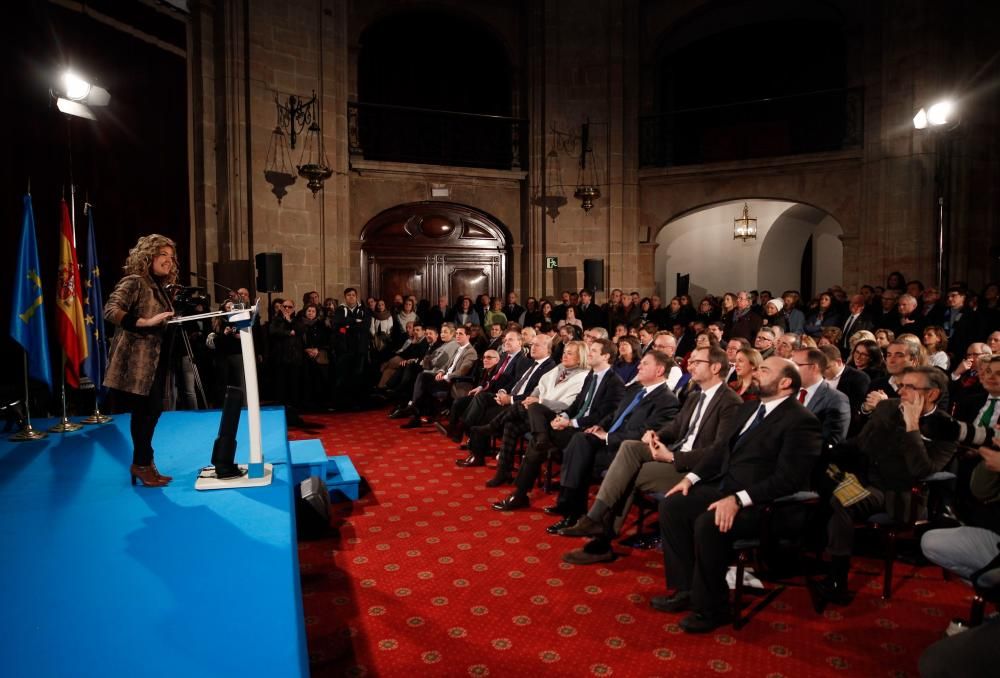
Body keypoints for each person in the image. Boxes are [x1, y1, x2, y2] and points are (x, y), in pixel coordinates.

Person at [657, 357, 822, 632]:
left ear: (785, 383)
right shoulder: (748, 408)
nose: (757, 372)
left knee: (708, 523)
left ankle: (712, 608)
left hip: (763, 504)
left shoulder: (802, 421)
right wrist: (691, 478)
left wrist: (739, 499)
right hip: (724, 488)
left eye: (765, 370)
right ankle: (685, 589)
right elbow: (719, 449)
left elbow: (788, 480)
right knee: (674, 505)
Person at [104, 234, 179, 487]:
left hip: (155, 362)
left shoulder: (159, 286)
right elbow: (111, 310)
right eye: (163, 255)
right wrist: (144, 322)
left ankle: (145, 462)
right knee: (145, 413)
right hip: (137, 364)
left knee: (152, 411)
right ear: (148, 256)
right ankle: (141, 464)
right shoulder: (135, 281)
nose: (169, 261)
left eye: (171, 256)